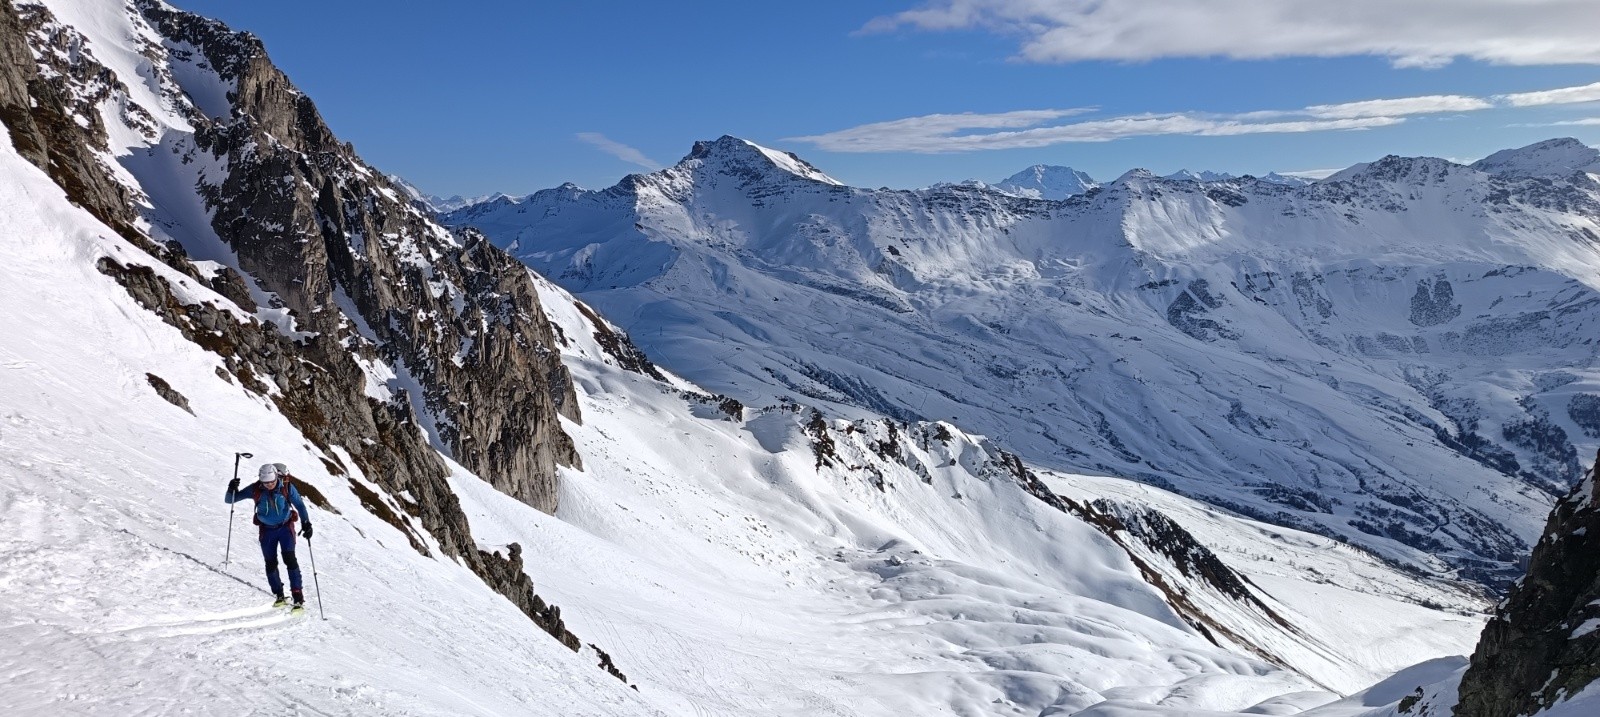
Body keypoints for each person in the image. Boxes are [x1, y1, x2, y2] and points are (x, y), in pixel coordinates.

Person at [226, 463, 314, 608]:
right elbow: (230, 500)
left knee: (290, 559)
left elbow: (300, 505)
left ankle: (297, 595)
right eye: (266, 483)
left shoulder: (286, 487)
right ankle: (279, 594)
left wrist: (306, 523)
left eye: (272, 482)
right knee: (270, 562)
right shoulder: (255, 489)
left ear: (276, 478)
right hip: (267, 531)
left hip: (285, 528)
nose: (269, 485)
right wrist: (232, 488)